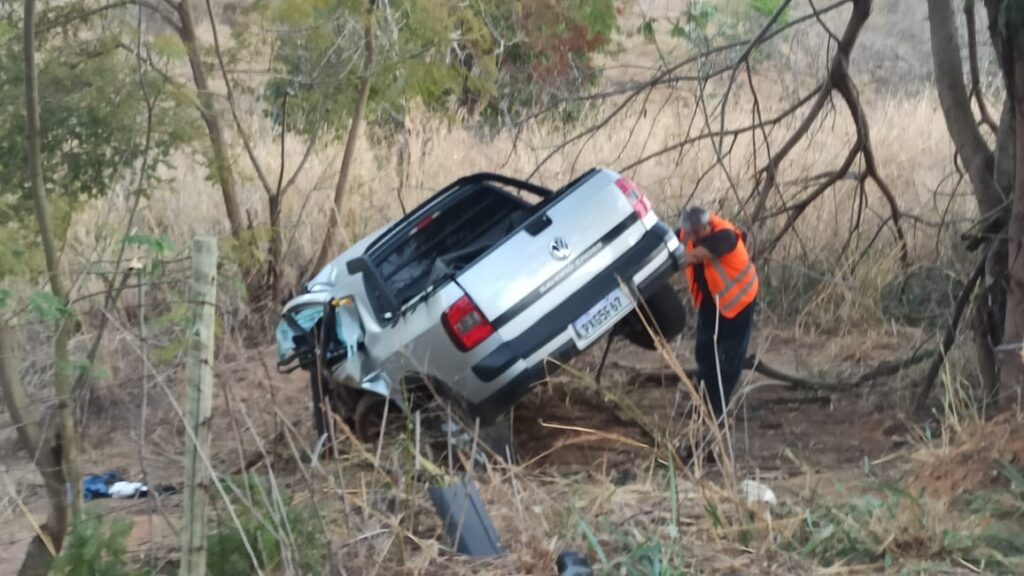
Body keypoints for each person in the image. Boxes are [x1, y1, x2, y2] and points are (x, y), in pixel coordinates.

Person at [677, 207, 758, 426]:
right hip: (710, 303)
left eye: (695, 233)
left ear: (706, 226)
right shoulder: (688, 232)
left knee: (730, 357)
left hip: (739, 302)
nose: (691, 237)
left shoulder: (725, 237)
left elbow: (693, 256)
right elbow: (673, 239)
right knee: (705, 353)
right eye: (689, 233)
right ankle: (704, 402)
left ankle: (719, 407)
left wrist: (667, 260)